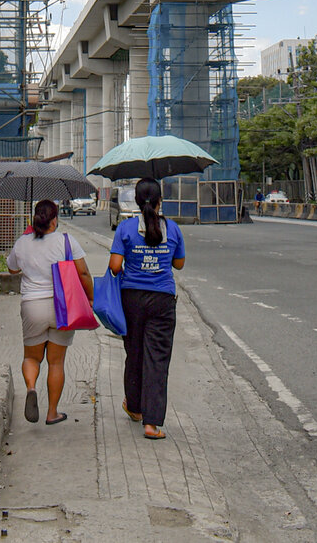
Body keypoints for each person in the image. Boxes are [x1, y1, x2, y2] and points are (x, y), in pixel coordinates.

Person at [108, 178, 186, 440]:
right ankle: (151, 425)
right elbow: (179, 264)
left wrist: (135, 258)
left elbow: (115, 266)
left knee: (135, 352)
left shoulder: (126, 228)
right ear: (160, 200)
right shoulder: (172, 228)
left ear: (138, 201)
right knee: (157, 360)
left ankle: (134, 407)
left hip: (132, 299)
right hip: (163, 300)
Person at [7, 199, 94, 425]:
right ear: (54, 220)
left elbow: (12, 268)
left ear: (35, 219)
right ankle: (52, 412)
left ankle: (31, 387)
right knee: (56, 362)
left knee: (31, 357)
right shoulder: (66, 241)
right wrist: (90, 298)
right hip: (61, 307)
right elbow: (83, 273)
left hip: (32, 306)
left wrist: (27, 239)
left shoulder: (22, 242)